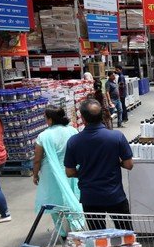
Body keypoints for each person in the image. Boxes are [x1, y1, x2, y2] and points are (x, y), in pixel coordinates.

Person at [64, 99, 134, 231]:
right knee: (126, 234)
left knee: (98, 237)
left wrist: (86, 171)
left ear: (83, 118)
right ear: (102, 115)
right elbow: (129, 164)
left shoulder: (74, 142)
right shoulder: (116, 136)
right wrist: (115, 163)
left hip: (90, 198)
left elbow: (70, 172)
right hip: (115, 196)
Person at [32, 106, 84, 235]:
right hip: (71, 169)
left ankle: (62, 233)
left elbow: (37, 159)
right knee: (71, 196)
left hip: (52, 172)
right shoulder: (72, 130)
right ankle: (76, 227)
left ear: (50, 119)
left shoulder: (44, 136)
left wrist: (35, 175)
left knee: (55, 201)